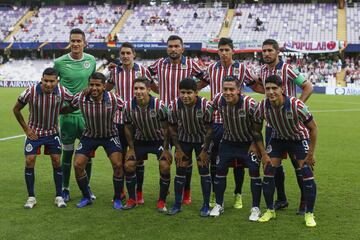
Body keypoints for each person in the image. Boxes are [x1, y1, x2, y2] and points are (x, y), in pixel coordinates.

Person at [252, 39, 313, 214]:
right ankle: (281, 198)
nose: (266, 53)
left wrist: (296, 108)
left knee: (298, 164)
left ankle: (304, 201)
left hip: (292, 125)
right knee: (274, 165)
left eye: (270, 50)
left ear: (277, 52)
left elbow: (308, 86)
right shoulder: (263, 71)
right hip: (272, 125)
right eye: (264, 51)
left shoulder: (288, 69)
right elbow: (261, 88)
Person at [148, 35, 210, 205]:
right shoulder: (160, 63)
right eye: (170, 46)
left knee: (184, 157)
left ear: (182, 48)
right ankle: (165, 188)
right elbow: (145, 75)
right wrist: (157, 89)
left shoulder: (190, 64)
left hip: (185, 117)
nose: (173, 49)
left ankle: (186, 192)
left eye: (176, 46)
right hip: (164, 117)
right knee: (165, 155)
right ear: (167, 48)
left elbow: (206, 78)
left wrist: (192, 90)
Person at [205, 37, 263, 209]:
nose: (224, 53)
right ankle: (216, 193)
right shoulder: (210, 68)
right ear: (218, 51)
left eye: (227, 50)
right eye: (221, 50)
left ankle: (238, 193)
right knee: (215, 159)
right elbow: (198, 84)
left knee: (240, 161)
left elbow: (255, 86)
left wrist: (272, 94)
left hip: (239, 121)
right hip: (218, 121)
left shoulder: (242, 68)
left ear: (232, 51)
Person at [254, 75, 318, 227]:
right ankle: (270, 210)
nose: (270, 92)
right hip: (278, 139)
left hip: (298, 138)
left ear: (282, 89)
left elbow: (313, 128)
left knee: (307, 174)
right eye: (268, 89)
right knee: (269, 171)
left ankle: (309, 213)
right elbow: (256, 131)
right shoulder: (262, 106)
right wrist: (263, 154)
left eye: (274, 88)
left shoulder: (295, 104)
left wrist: (310, 154)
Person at [61, 72, 125, 209]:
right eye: (91, 85)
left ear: (104, 86)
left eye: (98, 85)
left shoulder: (114, 98)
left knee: (118, 165)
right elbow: (69, 107)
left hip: (110, 135)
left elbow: (129, 110)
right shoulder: (81, 97)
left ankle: (117, 198)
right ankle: (86, 196)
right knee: (78, 165)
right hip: (89, 135)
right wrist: (54, 110)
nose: (94, 88)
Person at [13, 67, 73, 209]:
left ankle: (59, 196)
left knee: (56, 161)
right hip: (35, 132)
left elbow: (74, 103)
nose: (48, 84)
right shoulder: (31, 91)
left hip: (52, 133)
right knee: (30, 160)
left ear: (57, 81)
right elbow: (16, 109)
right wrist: (26, 129)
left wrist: (61, 110)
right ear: (41, 79)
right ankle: (31, 197)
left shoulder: (62, 91)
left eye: (52, 81)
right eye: (45, 81)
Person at [106, 42, 156, 205]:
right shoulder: (115, 71)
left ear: (134, 54)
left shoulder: (143, 71)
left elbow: (153, 88)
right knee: (119, 160)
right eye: (123, 53)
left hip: (138, 121)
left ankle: (138, 193)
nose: (125, 56)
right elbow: (107, 88)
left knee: (138, 160)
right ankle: (120, 192)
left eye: (128, 53)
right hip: (119, 120)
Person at [208, 76, 262, 221]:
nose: (228, 92)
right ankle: (219, 204)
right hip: (228, 141)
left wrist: (254, 144)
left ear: (239, 90)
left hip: (247, 143)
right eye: (225, 89)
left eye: (232, 89)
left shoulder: (249, 104)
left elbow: (258, 125)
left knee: (254, 171)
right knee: (219, 170)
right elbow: (208, 111)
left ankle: (255, 208)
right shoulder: (219, 99)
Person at [54, 28, 97, 202]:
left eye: (79, 41)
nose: (76, 44)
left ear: (84, 43)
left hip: (87, 115)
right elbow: (53, 86)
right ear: (69, 42)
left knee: (88, 154)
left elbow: (92, 84)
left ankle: (86, 188)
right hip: (67, 116)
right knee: (67, 153)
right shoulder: (59, 62)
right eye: (73, 41)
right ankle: (65, 188)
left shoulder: (91, 60)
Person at [123, 77, 171, 212]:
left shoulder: (158, 105)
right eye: (136, 88)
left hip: (159, 140)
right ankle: (133, 199)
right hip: (141, 139)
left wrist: (166, 148)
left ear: (149, 90)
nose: (138, 91)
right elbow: (127, 127)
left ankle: (161, 201)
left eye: (142, 88)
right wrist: (131, 148)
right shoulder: (128, 106)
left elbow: (167, 127)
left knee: (165, 165)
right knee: (129, 165)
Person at [167, 78, 212, 217]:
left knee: (204, 171)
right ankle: (177, 204)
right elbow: (172, 129)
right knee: (180, 171)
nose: (185, 96)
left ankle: (205, 205)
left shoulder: (205, 105)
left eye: (189, 93)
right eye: (182, 92)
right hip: (183, 141)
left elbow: (210, 129)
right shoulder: (174, 105)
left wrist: (205, 151)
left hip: (202, 141)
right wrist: (178, 150)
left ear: (196, 93)